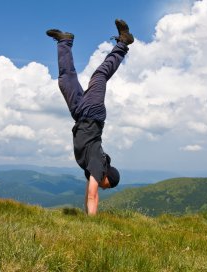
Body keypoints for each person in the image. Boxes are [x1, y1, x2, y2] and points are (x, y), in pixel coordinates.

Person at [46, 19, 134, 215]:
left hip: (79, 115)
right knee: (100, 75)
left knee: (65, 80)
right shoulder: (98, 164)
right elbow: (92, 196)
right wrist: (93, 225)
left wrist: (88, 214)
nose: (102, 187)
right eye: (107, 185)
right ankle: (124, 43)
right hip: (92, 114)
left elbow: (90, 193)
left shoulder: (94, 168)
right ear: (107, 177)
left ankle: (64, 41)